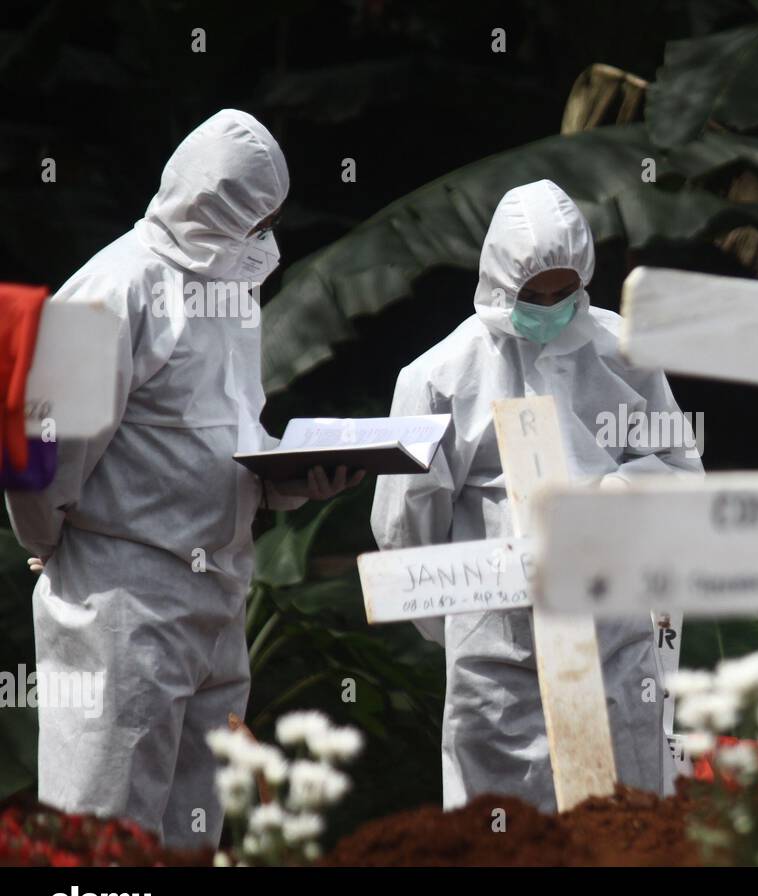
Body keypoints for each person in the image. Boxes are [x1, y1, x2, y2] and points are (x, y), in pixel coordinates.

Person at [5, 109, 360, 848]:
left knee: (192, 831)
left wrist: (293, 478)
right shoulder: (110, 288)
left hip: (219, 592)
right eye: (256, 218)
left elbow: (223, 436)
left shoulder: (231, 288)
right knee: (102, 833)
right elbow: (40, 446)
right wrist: (50, 543)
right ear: (216, 203)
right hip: (123, 600)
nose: (263, 234)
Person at [371, 179, 703, 812]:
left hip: (613, 627)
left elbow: (681, 470)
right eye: (533, 295)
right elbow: (407, 522)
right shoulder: (441, 376)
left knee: (621, 808)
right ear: (501, 281)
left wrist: (614, 495)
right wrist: (457, 615)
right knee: (503, 820)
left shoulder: (622, 353)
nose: (549, 309)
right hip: (497, 635)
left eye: (562, 293)